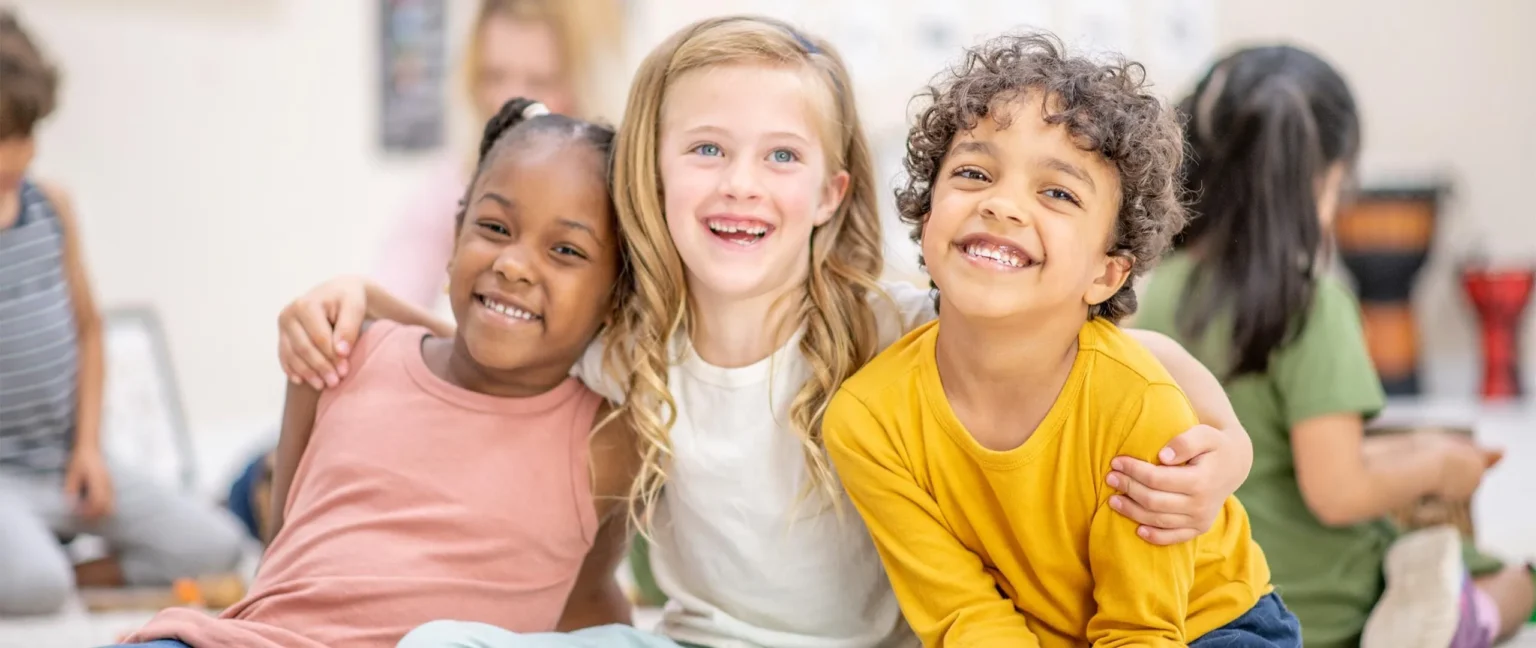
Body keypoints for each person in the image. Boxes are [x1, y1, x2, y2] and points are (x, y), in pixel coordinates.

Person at [278, 15, 1256, 648]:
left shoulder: (894, 332)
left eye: (779, 156)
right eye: (706, 150)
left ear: (829, 193)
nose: (741, 182)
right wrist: (362, 299)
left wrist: (1228, 452)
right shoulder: (625, 346)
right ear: (651, 180)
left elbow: (1141, 361)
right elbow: (502, 332)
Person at [822, 32, 1296, 647]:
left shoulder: (1135, 403)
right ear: (926, 211)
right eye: (973, 171)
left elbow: (1140, 630)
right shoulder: (867, 420)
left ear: (1106, 273)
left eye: (1057, 192)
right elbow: (965, 616)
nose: (1003, 204)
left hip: (1208, 627)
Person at [116, 99, 640, 648]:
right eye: (493, 226)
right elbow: (281, 556)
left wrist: (370, 296)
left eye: (565, 249)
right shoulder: (347, 354)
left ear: (617, 295)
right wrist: (366, 303)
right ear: (455, 235)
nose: (512, 263)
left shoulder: (609, 441)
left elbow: (589, 604)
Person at [1135, 45, 1535, 648]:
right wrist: (1437, 464)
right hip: (1319, 607)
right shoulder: (1311, 305)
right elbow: (1337, 490)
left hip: (1203, 597)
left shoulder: (1155, 289)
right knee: (1515, 578)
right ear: (1328, 179)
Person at [0, 9, 245, 617]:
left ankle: (75, 570)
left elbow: (87, 330)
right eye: (5, 136)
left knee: (217, 546)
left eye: (28, 133)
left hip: (68, 463)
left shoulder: (51, 208)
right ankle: (44, 567)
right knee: (36, 588)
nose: (21, 152)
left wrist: (87, 447)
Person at [370, 0, 625, 323]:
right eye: (495, 76)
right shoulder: (452, 186)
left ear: (583, 85)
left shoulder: (624, 196)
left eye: (539, 82)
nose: (512, 102)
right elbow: (387, 304)